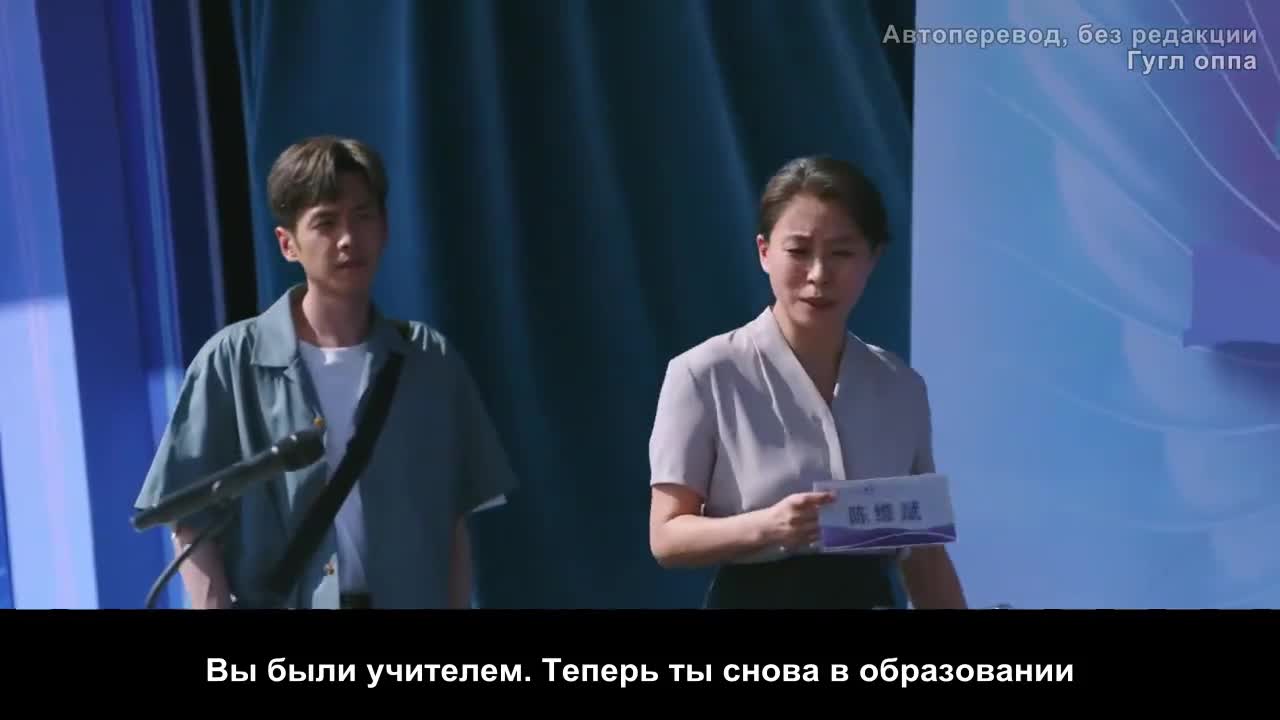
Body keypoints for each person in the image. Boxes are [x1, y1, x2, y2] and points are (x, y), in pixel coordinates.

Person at [134, 136, 518, 609]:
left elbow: (454, 518)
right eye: (326, 222)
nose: (348, 238)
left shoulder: (428, 358)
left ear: (385, 227)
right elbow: (188, 519)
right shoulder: (232, 361)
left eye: (363, 215)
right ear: (287, 244)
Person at [647, 155, 967, 609]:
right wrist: (769, 526)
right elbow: (666, 536)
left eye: (842, 253)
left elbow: (924, 554)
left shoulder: (900, 385)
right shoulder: (705, 372)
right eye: (798, 252)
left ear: (873, 258)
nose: (819, 275)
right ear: (764, 252)